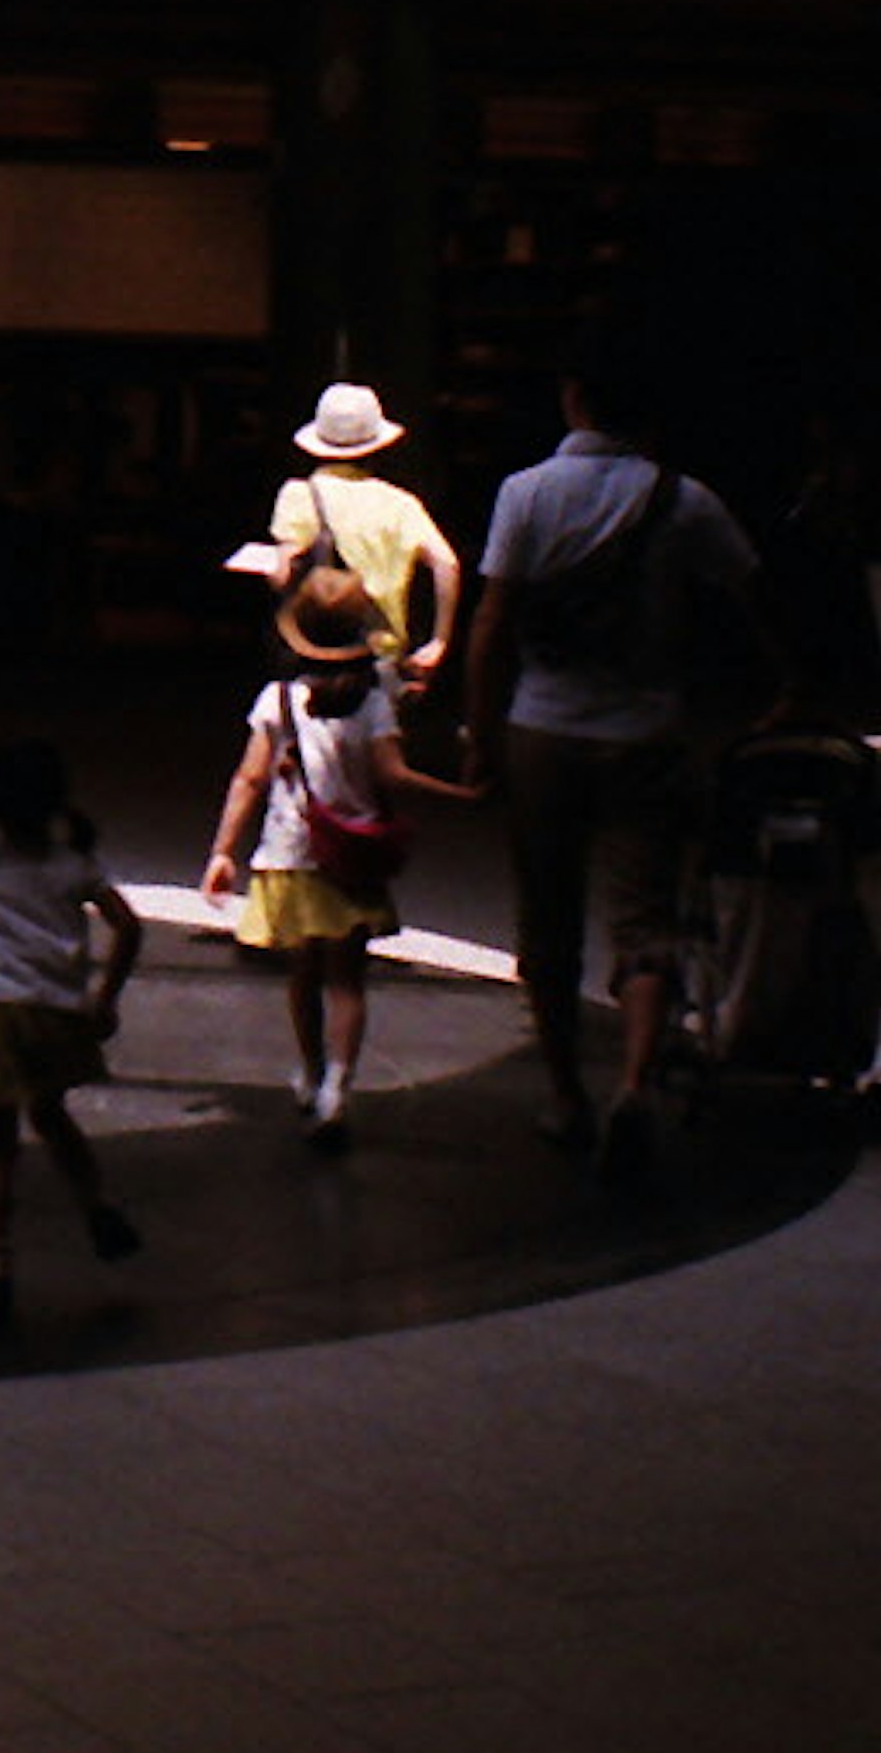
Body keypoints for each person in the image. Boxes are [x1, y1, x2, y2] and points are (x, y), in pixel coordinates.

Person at [463, 328, 780, 1176]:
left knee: (549, 918)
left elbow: (493, 626)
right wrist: (775, 692)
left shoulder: (526, 494)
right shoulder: (688, 502)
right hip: (648, 733)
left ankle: (566, 1096)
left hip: (545, 728)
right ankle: (636, 1081)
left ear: (573, 398)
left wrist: (480, 735)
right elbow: (749, 604)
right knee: (646, 921)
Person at [202, 561, 478, 1147]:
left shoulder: (278, 700)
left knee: (302, 976)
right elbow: (394, 777)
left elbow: (249, 779)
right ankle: (338, 1088)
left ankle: (308, 1071)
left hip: (291, 855)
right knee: (347, 980)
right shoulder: (373, 704)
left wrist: (224, 850)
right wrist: (458, 794)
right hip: (353, 858)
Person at [0, 733, 145, 1337]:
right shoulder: (73, 866)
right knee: (52, 1114)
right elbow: (127, 928)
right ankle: (97, 1206)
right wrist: (105, 998)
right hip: (56, 1012)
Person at [230, 381, 462, 684]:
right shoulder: (402, 504)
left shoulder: (299, 495)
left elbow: (282, 576)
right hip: (382, 655)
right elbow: (448, 564)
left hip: (313, 653)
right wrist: (439, 641)